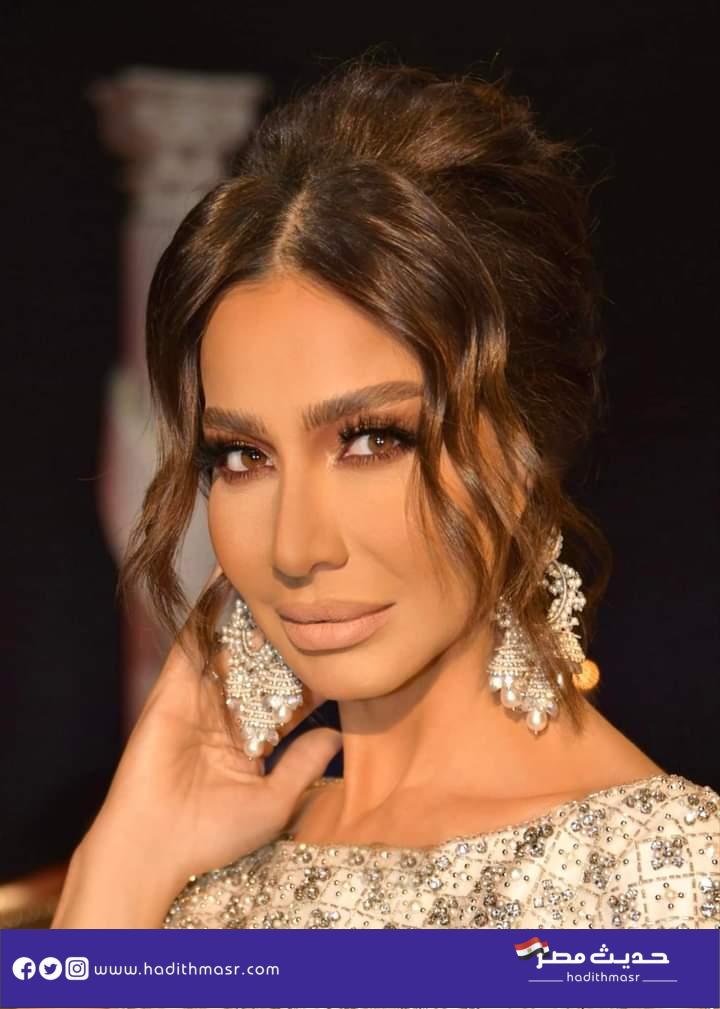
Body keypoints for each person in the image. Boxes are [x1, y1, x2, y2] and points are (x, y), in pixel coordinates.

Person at [51, 57, 719, 968]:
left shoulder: (666, 889)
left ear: (525, 447)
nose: (296, 546)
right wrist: (123, 862)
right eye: (242, 456)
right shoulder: (189, 870)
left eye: (372, 440)